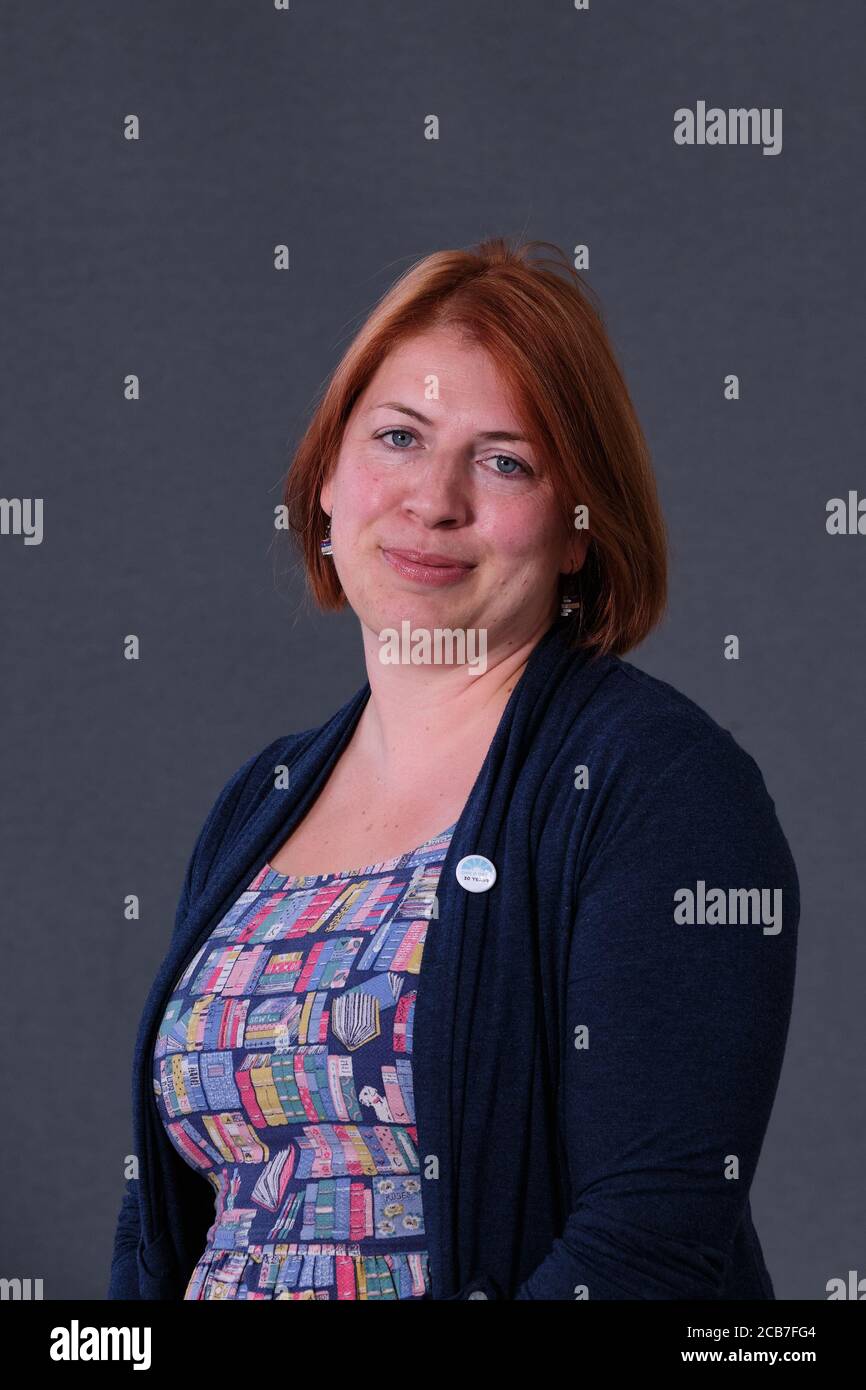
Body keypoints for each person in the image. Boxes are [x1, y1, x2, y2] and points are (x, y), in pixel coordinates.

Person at [107, 236, 799, 1300]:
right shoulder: (263, 799)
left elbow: (647, 1243)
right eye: (397, 437)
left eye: (503, 460)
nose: (434, 500)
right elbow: (162, 1225)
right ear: (328, 478)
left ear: (577, 529)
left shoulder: (656, 787)